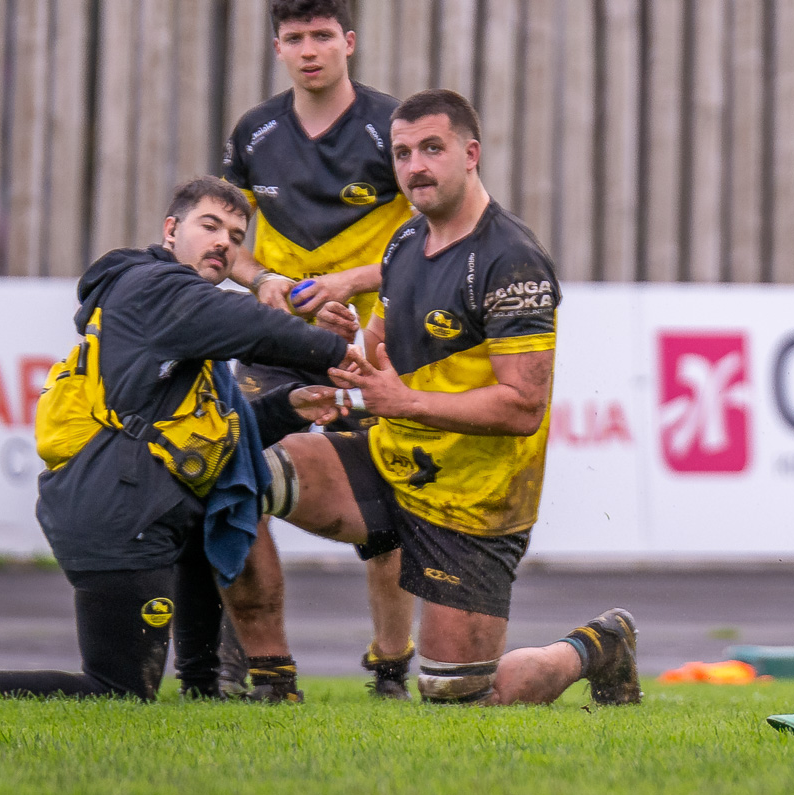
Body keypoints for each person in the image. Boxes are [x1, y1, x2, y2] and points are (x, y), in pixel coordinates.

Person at [0, 178, 362, 702]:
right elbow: (254, 325)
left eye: (236, 236)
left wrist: (289, 407)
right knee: (117, 691)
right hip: (116, 511)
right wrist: (336, 350)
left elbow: (221, 435)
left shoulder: (188, 322)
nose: (223, 242)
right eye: (210, 225)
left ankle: (203, 688)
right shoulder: (155, 288)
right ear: (171, 230)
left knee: (210, 520)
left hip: (139, 503)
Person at [228, 88, 641, 706]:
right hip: (391, 459)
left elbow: (523, 406)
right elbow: (379, 358)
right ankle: (271, 679)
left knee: (460, 699)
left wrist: (403, 403)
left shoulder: (513, 261)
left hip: (474, 505)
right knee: (238, 478)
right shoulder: (403, 243)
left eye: (431, 149)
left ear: (471, 154)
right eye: (402, 154)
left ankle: (599, 644)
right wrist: (350, 361)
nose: (415, 167)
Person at [221, 0, 418, 698]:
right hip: (275, 343)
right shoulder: (254, 133)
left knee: (389, 513)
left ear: (349, 42)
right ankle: (254, 663)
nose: (310, 50)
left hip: (371, 347)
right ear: (277, 47)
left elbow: (432, 240)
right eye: (295, 38)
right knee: (231, 482)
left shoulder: (392, 129)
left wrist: (348, 283)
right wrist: (261, 282)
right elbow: (226, 245)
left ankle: (391, 666)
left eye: (323, 36)